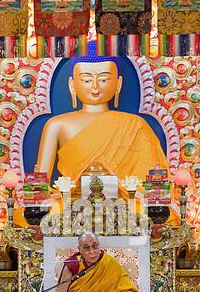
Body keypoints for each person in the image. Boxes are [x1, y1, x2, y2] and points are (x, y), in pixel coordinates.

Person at [36, 41, 170, 185]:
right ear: (72, 84)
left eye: (103, 79)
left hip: (124, 202)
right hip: (73, 201)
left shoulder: (135, 125)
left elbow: (153, 184)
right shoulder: (57, 125)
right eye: (86, 80)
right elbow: (40, 183)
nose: (95, 87)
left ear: (118, 84)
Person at [55, 232, 150, 292]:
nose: (92, 251)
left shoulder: (109, 262)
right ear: (79, 249)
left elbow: (126, 290)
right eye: (86, 248)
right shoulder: (72, 264)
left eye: (95, 246)